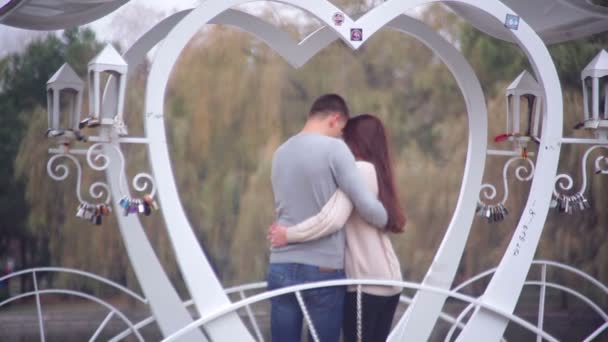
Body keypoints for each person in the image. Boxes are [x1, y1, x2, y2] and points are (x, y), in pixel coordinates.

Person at [270, 114, 406, 342]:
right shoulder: (377, 171)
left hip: (365, 284)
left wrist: (288, 234)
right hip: (388, 281)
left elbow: (331, 218)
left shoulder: (358, 171)